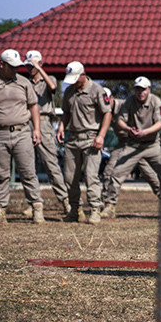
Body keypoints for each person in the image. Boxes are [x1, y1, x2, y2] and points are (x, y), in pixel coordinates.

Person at [0, 49, 45, 225]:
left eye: (17, 67)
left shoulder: (24, 83)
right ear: (1, 64)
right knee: (1, 174)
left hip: (22, 132)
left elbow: (33, 106)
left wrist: (37, 129)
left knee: (28, 172)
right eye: (11, 67)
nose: (15, 70)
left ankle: (37, 208)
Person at [100, 76, 161, 218]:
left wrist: (145, 132)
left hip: (151, 144)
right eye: (137, 89)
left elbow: (160, 123)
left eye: (143, 89)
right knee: (115, 172)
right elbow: (121, 120)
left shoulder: (155, 101)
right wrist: (129, 129)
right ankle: (109, 205)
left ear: (148, 90)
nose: (140, 92)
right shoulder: (128, 101)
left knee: (160, 174)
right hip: (131, 144)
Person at [59, 60, 112, 225]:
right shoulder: (69, 91)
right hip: (72, 139)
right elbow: (66, 113)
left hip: (91, 138)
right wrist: (61, 127)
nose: (73, 82)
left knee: (91, 176)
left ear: (83, 74)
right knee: (70, 177)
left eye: (76, 78)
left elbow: (107, 113)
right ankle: (75, 210)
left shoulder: (97, 90)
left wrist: (101, 136)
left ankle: (95, 209)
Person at [23, 50, 69, 216]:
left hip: (44, 123)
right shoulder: (25, 82)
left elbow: (53, 87)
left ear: (40, 64)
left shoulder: (49, 79)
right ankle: (34, 202)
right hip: (27, 122)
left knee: (51, 164)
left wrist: (39, 69)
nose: (30, 69)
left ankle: (65, 201)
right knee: (28, 166)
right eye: (28, 66)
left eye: (33, 66)